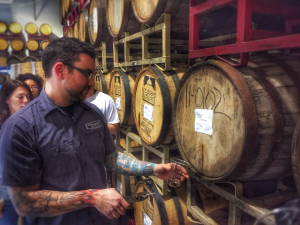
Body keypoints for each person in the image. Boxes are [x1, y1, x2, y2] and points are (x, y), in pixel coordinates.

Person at [0, 37, 189, 225]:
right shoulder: (20, 127)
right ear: (60, 70)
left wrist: (154, 169)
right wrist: (93, 198)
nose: (92, 81)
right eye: (87, 73)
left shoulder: (93, 114)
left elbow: (110, 158)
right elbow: (24, 203)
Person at [0, 80, 33, 225]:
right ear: (7, 99)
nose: (26, 101)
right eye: (20, 97)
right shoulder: (2, 126)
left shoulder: (34, 125)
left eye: (28, 97)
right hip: (5, 195)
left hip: (33, 192)